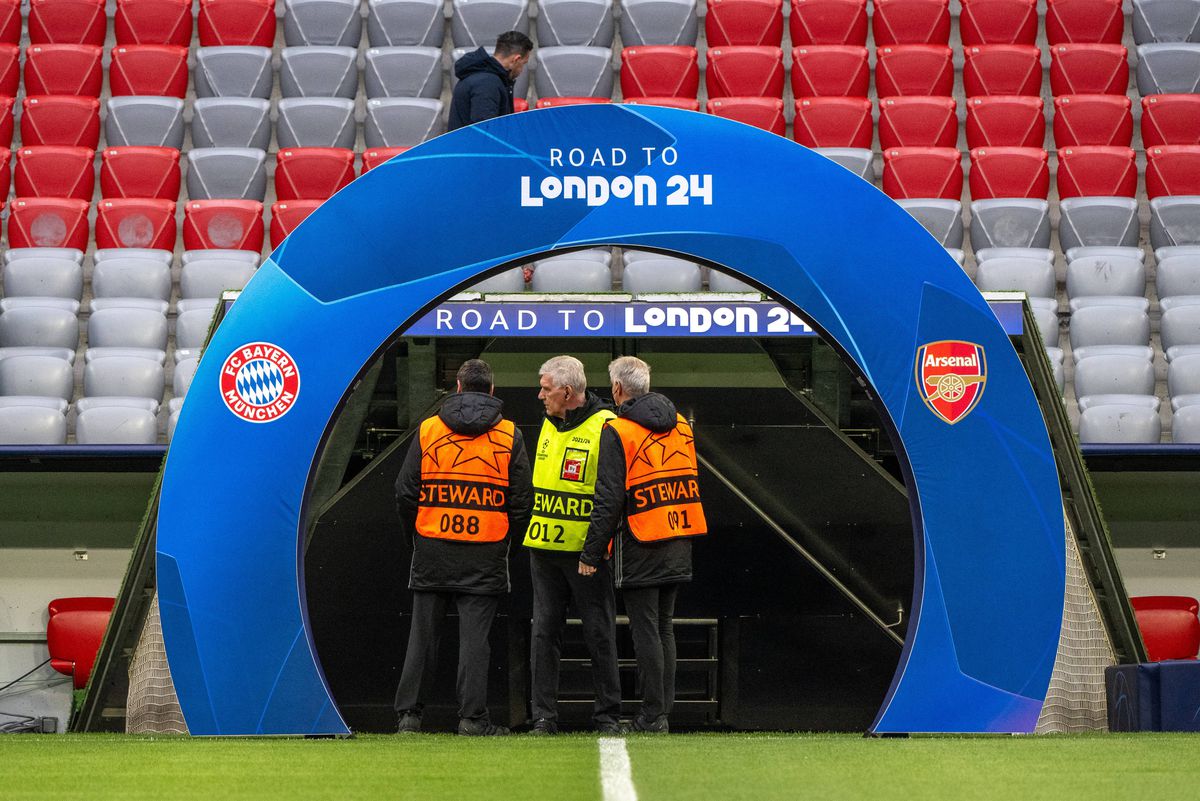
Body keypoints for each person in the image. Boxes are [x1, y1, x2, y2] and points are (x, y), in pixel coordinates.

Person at [394, 359, 532, 736]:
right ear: (491, 389)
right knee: (475, 641)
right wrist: (507, 544)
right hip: (485, 550)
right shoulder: (508, 435)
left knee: (422, 638)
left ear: (457, 387)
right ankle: (472, 719)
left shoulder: (428, 429)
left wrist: (416, 538)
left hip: (433, 546)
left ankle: (409, 717)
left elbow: (405, 493)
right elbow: (521, 501)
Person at [579, 356, 707, 734]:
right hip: (678, 535)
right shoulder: (680, 423)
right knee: (664, 627)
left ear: (617, 390)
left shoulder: (619, 430)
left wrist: (591, 552)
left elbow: (609, 497)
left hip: (640, 540)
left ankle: (652, 716)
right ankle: (660, 713)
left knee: (646, 629)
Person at [524, 356, 623, 735]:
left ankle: (607, 717)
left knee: (599, 633)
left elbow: (612, 496)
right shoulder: (549, 424)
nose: (540, 395)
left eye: (546, 389)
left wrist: (593, 551)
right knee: (544, 634)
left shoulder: (606, 426)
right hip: (544, 551)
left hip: (586, 557)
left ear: (567, 391)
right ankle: (544, 717)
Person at [447, 31, 534, 132]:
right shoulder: (487, 84)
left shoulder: (486, 78)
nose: (522, 70)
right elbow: (486, 134)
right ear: (516, 59)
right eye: (523, 63)